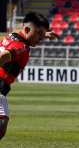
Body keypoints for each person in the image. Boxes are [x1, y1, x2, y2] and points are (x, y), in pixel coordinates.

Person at [0, 11, 58, 140]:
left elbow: (26, 34)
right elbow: (2, 57)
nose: (41, 38)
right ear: (27, 29)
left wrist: (43, 33)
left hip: (2, 89)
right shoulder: (22, 47)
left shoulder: (14, 35)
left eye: (42, 34)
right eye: (39, 33)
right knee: (1, 124)